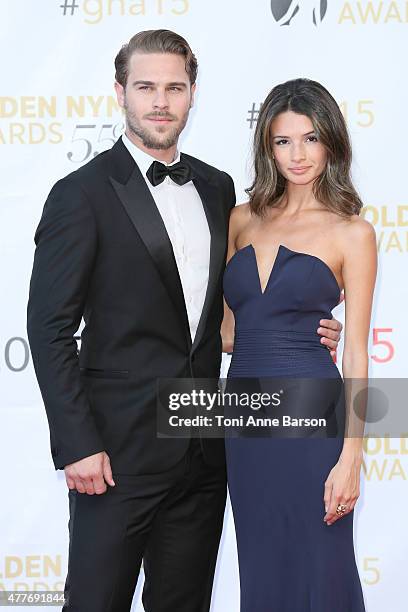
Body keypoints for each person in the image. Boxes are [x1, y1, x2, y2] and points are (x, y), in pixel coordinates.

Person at [27, 31, 342, 611]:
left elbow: (235, 307)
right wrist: (77, 444)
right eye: (145, 87)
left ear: (193, 94)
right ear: (120, 91)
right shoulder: (81, 195)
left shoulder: (219, 189)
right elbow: (48, 329)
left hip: (205, 451)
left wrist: (306, 328)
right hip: (114, 457)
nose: (160, 102)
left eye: (174, 87)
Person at [222, 78, 376, 611]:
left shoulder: (351, 232)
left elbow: (356, 350)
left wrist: (352, 455)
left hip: (314, 424)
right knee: (261, 566)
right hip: (244, 422)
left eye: (310, 139)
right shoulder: (241, 219)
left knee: (321, 563)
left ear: (331, 141)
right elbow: (226, 332)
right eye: (283, 141)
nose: (298, 154)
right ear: (267, 146)